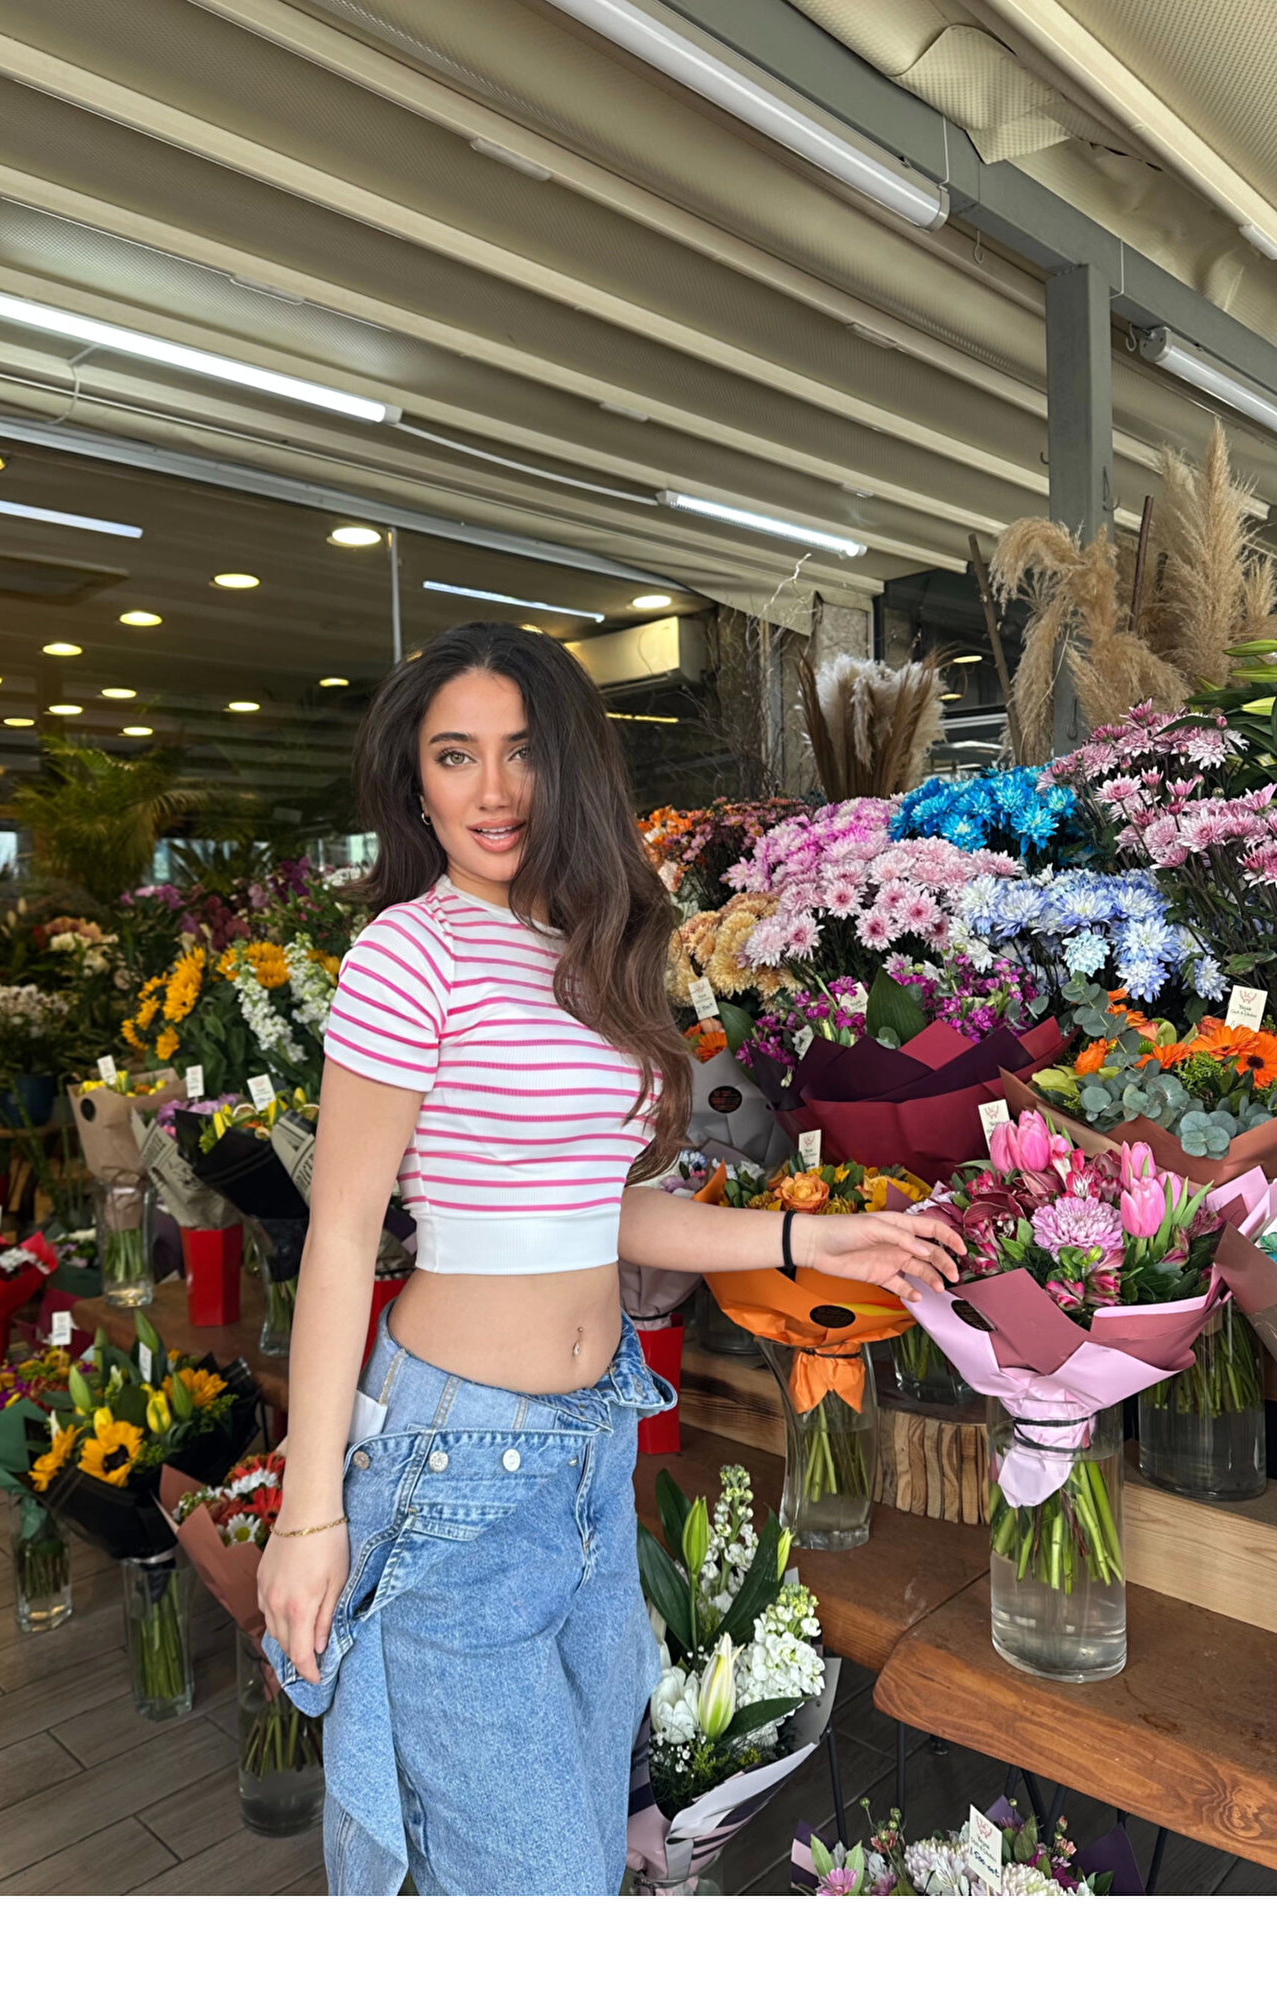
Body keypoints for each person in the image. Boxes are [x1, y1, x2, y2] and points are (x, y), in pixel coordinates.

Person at [257, 623, 964, 1896]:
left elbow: (607, 1211)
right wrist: (309, 1516)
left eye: (523, 752)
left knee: (580, 1859)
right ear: (415, 781)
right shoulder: (407, 954)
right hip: (455, 1469)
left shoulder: (589, 957)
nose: (494, 790)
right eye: (455, 755)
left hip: (589, 1459)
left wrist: (815, 1236)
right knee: (536, 1885)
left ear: (572, 767)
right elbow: (344, 1234)